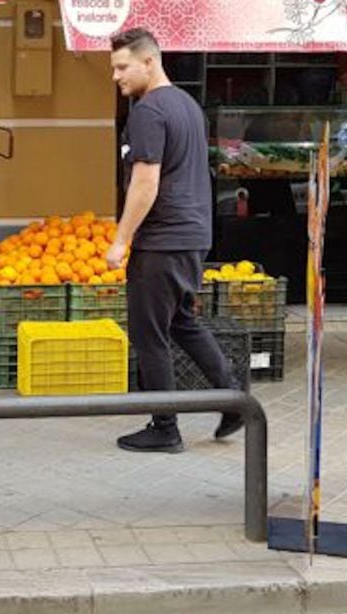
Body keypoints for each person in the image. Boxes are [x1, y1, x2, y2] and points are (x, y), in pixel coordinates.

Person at [106, 28, 241, 453]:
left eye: (122, 66)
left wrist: (121, 239)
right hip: (193, 234)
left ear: (150, 62)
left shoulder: (148, 111)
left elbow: (145, 183)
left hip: (162, 238)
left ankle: (165, 427)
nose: (116, 76)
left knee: (150, 333)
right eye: (113, 68)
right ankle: (233, 398)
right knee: (182, 320)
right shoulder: (187, 105)